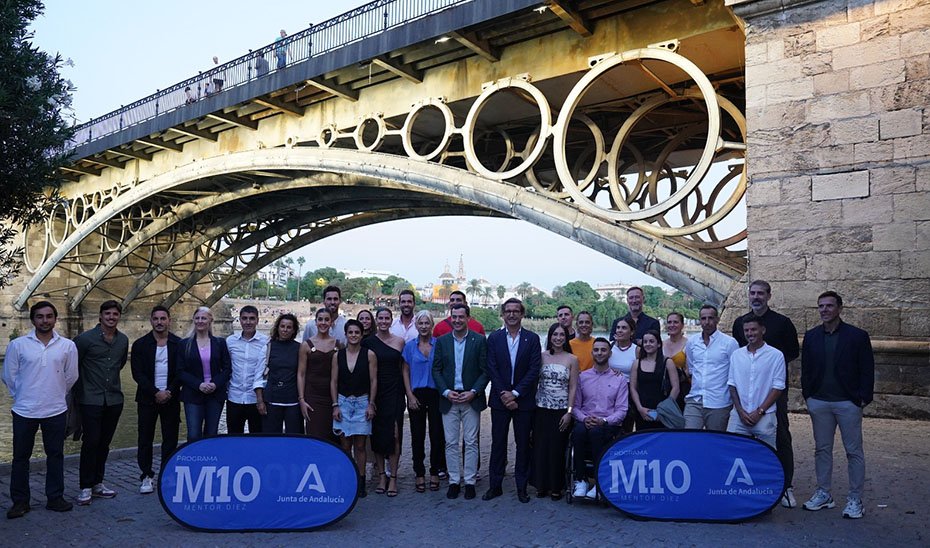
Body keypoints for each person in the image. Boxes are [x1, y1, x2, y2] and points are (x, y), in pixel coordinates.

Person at [800, 291, 874, 520]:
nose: (824, 310)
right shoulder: (811, 336)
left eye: (829, 306)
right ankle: (824, 493)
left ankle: (855, 499)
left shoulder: (857, 336)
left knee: (853, 451)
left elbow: (867, 368)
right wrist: (808, 395)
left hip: (847, 402)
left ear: (840, 308)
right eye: (821, 306)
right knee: (822, 449)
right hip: (820, 402)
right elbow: (806, 369)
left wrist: (862, 398)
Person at [3, 301, 78, 518]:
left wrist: (55, 393)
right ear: (33, 319)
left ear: (55, 319)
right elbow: (9, 375)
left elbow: (71, 376)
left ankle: (55, 498)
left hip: (55, 409)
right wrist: (23, 395)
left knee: (55, 455)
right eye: (39, 316)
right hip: (24, 410)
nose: (44, 321)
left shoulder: (67, 346)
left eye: (48, 316)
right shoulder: (18, 345)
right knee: (20, 457)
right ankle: (20, 502)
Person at [732, 280, 800, 508]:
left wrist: (767, 370)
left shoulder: (783, 323)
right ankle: (748, 483)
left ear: (769, 296)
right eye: (752, 293)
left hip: (773, 392)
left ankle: (785, 486)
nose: (756, 297)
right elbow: (740, 355)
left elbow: (791, 353)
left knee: (781, 436)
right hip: (746, 393)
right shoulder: (739, 322)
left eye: (761, 293)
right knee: (742, 440)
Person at [484, 298, 541, 503]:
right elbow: (491, 367)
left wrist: (515, 393)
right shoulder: (494, 338)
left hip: (523, 401)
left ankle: (521, 487)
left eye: (516, 311)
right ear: (503, 314)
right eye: (508, 311)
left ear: (522, 314)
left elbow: (534, 369)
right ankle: (495, 485)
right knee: (498, 443)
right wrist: (504, 394)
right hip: (500, 401)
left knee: (523, 444)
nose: (511, 314)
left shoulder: (532, 339)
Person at [74, 300, 129, 506]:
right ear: (100, 316)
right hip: (90, 399)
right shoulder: (84, 340)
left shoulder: (122, 340)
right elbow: (74, 367)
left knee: (104, 443)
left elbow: (120, 363)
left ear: (118, 317)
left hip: (114, 399)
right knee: (91, 442)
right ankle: (85, 486)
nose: (111, 317)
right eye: (107, 314)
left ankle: (98, 482)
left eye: (115, 314)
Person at [432, 303, 489, 500]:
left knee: (471, 442)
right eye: (453, 317)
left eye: (460, 317)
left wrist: (474, 391)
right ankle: (455, 481)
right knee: (450, 442)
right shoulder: (442, 341)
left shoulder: (480, 340)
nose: (456, 320)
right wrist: (446, 391)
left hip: (470, 398)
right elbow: (436, 370)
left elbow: (485, 370)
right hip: (449, 398)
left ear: (468, 318)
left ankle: (470, 481)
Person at [130, 305, 181, 495]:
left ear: (169, 320)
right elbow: (138, 374)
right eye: (156, 319)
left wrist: (169, 391)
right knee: (145, 439)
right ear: (151, 321)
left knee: (170, 439)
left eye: (163, 319)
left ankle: (166, 475)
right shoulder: (140, 344)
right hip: (147, 399)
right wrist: (155, 392)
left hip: (171, 398)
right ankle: (146, 475)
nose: (159, 322)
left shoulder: (178, 344)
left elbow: (180, 372)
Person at [571, 338, 628, 500]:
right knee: (579, 432)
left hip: (608, 424)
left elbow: (622, 410)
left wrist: (604, 421)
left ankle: (599, 481)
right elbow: (575, 406)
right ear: (592, 353)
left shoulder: (619, 379)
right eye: (596, 350)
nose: (599, 353)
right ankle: (580, 480)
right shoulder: (582, 377)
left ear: (610, 353)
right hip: (586, 421)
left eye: (603, 350)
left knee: (596, 433)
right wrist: (583, 418)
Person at [330, 320, 378, 498]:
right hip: (343, 401)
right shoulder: (338, 356)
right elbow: (333, 381)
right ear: (346, 334)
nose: (353, 335)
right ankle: (346, 479)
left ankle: (361, 480)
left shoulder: (369, 355)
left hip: (362, 401)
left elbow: (374, 381)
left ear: (361, 334)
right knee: (345, 445)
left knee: (360, 445)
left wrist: (371, 404)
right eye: (350, 332)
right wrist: (335, 405)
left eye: (357, 332)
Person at [531, 323, 579, 501]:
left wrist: (569, 411)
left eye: (561, 335)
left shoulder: (572, 359)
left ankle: (557, 486)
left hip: (561, 411)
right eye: (555, 334)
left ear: (566, 338)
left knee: (557, 449)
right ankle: (541, 484)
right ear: (549, 337)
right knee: (541, 447)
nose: (558, 338)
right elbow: (534, 382)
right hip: (541, 408)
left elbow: (573, 387)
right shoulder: (541, 357)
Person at [401, 310, 446, 493]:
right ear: (416, 325)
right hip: (416, 394)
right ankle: (419, 473)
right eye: (421, 323)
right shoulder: (410, 346)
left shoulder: (440, 345)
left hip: (436, 394)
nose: (424, 326)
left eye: (427, 323)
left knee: (437, 435)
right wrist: (409, 395)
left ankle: (435, 471)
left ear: (432, 325)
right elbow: (404, 370)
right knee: (417, 436)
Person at [365, 307, 407, 497]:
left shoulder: (399, 342)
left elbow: (404, 369)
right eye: (380, 318)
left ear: (391, 321)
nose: (383, 321)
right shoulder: (367, 343)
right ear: (376, 320)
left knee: (395, 435)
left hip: (395, 392)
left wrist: (410, 393)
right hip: (375, 392)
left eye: (386, 318)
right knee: (378, 435)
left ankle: (394, 477)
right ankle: (382, 475)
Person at [726, 317, 785, 448]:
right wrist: (740, 412)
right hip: (739, 416)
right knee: (733, 452)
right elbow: (732, 385)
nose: (750, 333)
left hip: (765, 416)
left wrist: (760, 411)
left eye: (753, 329)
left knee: (766, 456)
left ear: (762, 330)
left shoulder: (776, 355)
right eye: (746, 330)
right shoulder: (736, 355)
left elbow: (778, 388)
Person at [178, 307, 230, 442]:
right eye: (197, 318)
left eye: (204, 318)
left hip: (215, 394)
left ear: (210, 320)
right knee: (194, 434)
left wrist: (215, 383)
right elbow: (180, 371)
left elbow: (227, 369)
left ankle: (209, 461)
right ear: (194, 320)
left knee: (211, 434)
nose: (200, 321)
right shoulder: (184, 344)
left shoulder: (219, 343)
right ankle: (194, 461)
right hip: (193, 393)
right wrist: (199, 384)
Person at [683, 305, 738, 431]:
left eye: (710, 318)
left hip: (719, 402)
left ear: (717, 319)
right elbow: (691, 368)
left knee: (716, 440)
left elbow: (735, 372)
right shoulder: (692, 342)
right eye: (703, 318)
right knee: (689, 436)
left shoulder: (729, 343)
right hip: (695, 399)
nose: (707, 322)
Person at [255, 314, 302, 434]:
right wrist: (260, 401)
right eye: (282, 326)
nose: (285, 330)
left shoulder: (300, 348)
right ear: (277, 328)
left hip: (293, 402)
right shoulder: (268, 347)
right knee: (271, 439)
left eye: (289, 327)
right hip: (272, 401)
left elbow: (303, 374)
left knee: (294, 439)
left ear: (293, 330)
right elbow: (258, 376)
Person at [297, 308, 338, 441]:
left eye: (327, 319)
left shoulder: (338, 344)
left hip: (332, 397)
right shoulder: (306, 345)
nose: (323, 323)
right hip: (313, 396)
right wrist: (302, 399)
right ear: (315, 322)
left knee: (333, 436)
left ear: (331, 323)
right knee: (315, 435)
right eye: (320, 319)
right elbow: (301, 374)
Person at [226, 305, 267, 434]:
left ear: (257, 320)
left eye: (251, 318)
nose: (248, 322)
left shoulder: (266, 342)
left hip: (256, 399)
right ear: (239, 320)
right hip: (234, 397)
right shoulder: (230, 341)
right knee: (233, 437)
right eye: (244, 318)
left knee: (257, 438)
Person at [630, 330, 679, 431]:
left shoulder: (667, 362)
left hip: (663, 410)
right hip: (642, 410)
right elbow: (633, 388)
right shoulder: (637, 363)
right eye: (645, 342)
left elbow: (676, 388)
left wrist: (665, 409)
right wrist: (639, 408)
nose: (648, 344)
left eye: (652, 341)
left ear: (659, 344)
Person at [664, 312, 690, 411]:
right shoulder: (661, 344)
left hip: (683, 389)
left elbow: (689, 369)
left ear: (682, 325)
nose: (672, 325)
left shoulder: (689, 344)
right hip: (664, 389)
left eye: (675, 322)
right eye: (669, 322)